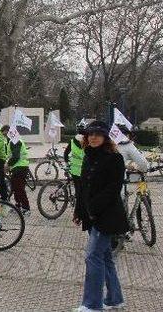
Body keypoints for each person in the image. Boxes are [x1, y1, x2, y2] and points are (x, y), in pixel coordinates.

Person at [73, 120, 128, 312]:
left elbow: (113, 189)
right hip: (91, 215)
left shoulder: (114, 158)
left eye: (97, 134)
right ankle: (114, 298)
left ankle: (92, 304)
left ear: (105, 137)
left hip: (107, 216)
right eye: (90, 134)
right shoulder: (88, 156)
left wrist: (92, 208)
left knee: (93, 257)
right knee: (104, 258)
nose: (93, 137)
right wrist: (79, 210)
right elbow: (83, 187)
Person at [0, 125, 30, 214]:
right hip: (17, 167)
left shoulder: (15, 141)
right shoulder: (13, 140)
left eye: (4, 134)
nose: (4, 136)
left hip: (20, 167)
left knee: (19, 189)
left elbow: (16, 157)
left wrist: (7, 164)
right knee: (15, 188)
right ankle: (18, 206)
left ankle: (26, 208)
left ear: (8, 132)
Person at [64, 120, 86, 207]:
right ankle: (81, 208)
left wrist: (67, 164)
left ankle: (78, 207)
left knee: (78, 189)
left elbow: (66, 154)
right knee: (84, 191)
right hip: (84, 170)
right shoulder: (88, 141)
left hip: (74, 170)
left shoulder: (72, 141)